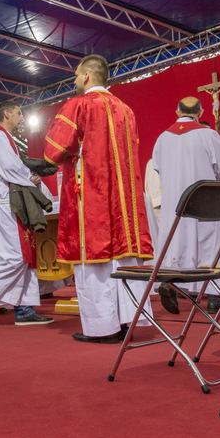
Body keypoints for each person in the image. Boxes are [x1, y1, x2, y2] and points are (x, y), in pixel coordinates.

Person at [42, 55, 152, 343]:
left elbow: (54, 150)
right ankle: (128, 319)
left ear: (87, 76)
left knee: (94, 262)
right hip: (123, 200)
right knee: (122, 258)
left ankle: (103, 327)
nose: (75, 80)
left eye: (76, 75)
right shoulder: (126, 110)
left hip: (91, 195)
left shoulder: (79, 105)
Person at [151, 97, 220, 314]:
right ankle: (215, 296)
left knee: (175, 244)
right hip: (206, 200)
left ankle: (171, 283)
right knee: (210, 246)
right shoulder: (209, 135)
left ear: (177, 112)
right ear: (201, 112)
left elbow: (157, 168)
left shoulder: (162, 138)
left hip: (174, 203)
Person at [0, 100, 54, 326]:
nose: (22, 117)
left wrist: (32, 178)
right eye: (18, 112)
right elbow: (9, 167)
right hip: (7, 204)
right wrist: (30, 176)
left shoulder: (7, 139)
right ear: (6, 114)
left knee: (25, 257)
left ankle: (24, 308)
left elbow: (14, 167)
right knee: (17, 256)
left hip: (14, 203)